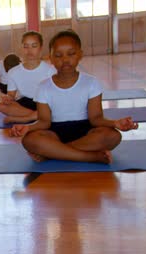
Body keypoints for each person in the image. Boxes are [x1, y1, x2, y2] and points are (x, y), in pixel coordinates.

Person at [10, 30, 138, 164]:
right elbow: (44, 122)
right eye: (58, 55)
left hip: (85, 133)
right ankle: (90, 156)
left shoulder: (91, 83)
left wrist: (115, 123)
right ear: (51, 58)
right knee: (29, 140)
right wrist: (28, 128)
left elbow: (96, 119)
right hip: (54, 133)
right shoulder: (43, 87)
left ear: (80, 55)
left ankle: (52, 154)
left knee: (112, 136)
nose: (65, 60)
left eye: (71, 54)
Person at [0, 31, 56, 123]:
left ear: (41, 48)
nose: (29, 50)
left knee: (56, 107)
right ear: (21, 48)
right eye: (26, 46)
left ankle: (26, 118)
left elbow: (54, 97)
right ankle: (36, 116)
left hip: (43, 103)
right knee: (1, 106)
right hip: (25, 103)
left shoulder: (50, 70)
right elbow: (11, 95)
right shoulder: (13, 72)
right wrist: (7, 98)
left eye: (34, 46)